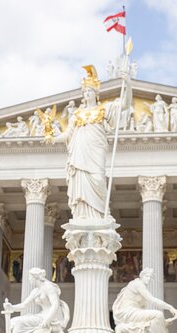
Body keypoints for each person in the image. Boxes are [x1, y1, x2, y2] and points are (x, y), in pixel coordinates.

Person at [51, 65, 131, 220]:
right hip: (80, 150)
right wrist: (53, 138)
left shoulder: (103, 109)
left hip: (96, 149)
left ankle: (100, 215)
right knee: (81, 180)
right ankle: (82, 215)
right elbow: (68, 133)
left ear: (96, 93)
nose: (87, 94)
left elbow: (125, 105)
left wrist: (128, 84)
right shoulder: (77, 114)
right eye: (85, 91)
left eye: (89, 91)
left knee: (98, 179)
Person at [0, 267, 70, 333]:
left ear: (35, 277)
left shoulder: (49, 287)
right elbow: (23, 305)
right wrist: (11, 307)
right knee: (14, 321)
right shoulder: (36, 291)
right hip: (42, 315)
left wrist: (47, 319)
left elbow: (55, 304)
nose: (29, 280)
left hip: (52, 318)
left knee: (20, 322)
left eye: (30, 278)